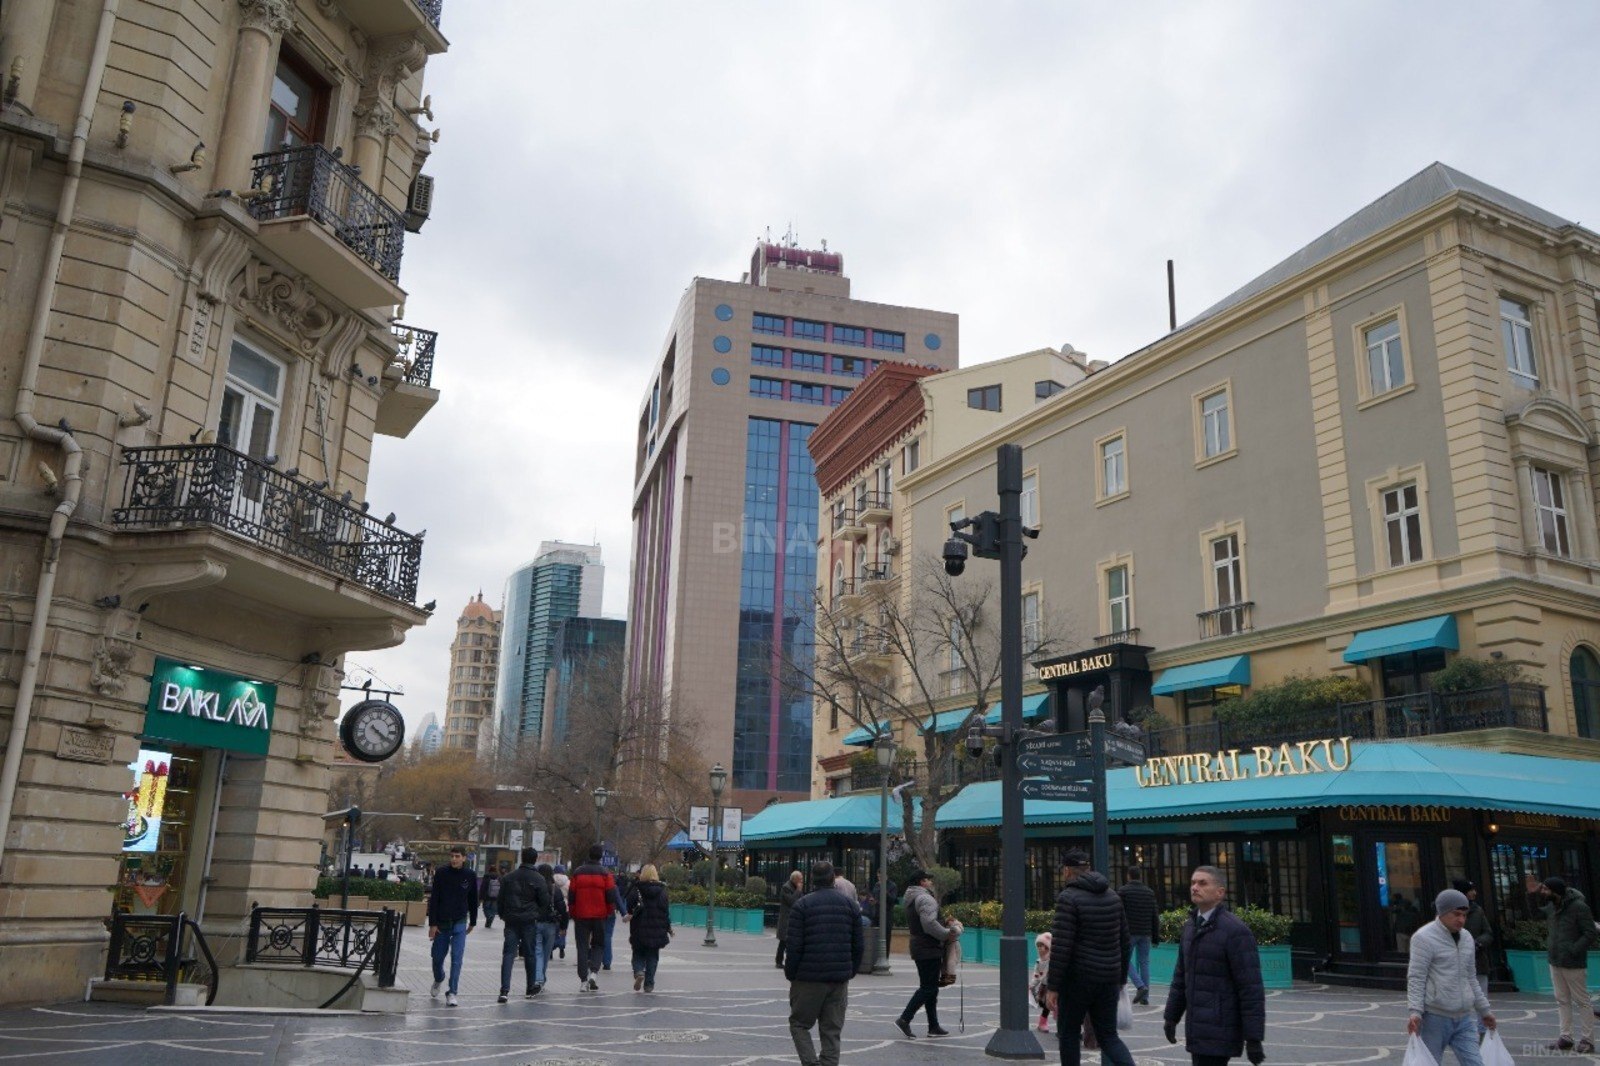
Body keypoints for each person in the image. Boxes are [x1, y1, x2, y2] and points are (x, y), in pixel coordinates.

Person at [1162, 865, 1266, 1066]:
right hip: (1197, 1027)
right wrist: (1171, 1017)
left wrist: (1254, 1038)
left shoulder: (1235, 931)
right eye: (1193, 882)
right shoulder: (1191, 926)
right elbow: (1181, 977)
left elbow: (1250, 987)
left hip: (1220, 1025)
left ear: (1220, 892)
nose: (1195, 887)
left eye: (1202, 883)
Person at [1045, 849, 1135, 1066]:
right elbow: (1125, 941)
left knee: (1068, 1034)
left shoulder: (1068, 898)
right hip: (1108, 978)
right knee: (1109, 1037)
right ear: (1088, 868)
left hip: (1078, 980)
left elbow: (1062, 946)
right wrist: (1121, 978)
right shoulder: (1112, 896)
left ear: (1067, 871)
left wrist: (1053, 986)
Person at [784, 861, 863, 1066]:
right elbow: (858, 945)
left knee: (799, 1024)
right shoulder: (850, 906)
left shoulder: (802, 905)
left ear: (813, 879)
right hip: (838, 978)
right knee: (832, 1031)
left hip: (808, 977)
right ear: (832, 878)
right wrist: (850, 970)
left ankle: (811, 1063)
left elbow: (794, 946)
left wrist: (791, 974)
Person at [1406, 888, 1496, 1066]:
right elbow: (1416, 977)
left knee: (1475, 1063)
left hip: (1464, 1017)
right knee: (1429, 1063)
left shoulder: (1467, 938)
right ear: (1442, 912)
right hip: (1435, 1017)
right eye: (1456, 914)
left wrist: (1484, 1011)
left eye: (1464, 915)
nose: (1461, 920)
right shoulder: (1423, 938)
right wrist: (1415, 1012)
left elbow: (1471, 978)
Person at [1529, 875, 1598, 1053]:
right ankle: (1566, 1037)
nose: (1544, 892)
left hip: (1573, 962)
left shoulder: (1579, 907)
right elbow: (1536, 914)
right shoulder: (1553, 907)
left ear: (1556, 891)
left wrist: (1573, 949)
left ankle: (1588, 1040)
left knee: (1582, 1001)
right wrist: (1532, 895)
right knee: (1562, 1000)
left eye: (1546, 889)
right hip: (1555, 960)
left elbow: (1590, 932)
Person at [895, 868, 961, 1039]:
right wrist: (947, 933)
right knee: (928, 988)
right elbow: (929, 923)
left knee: (931, 987)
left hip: (920, 946)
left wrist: (943, 923)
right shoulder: (925, 898)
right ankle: (904, 1019)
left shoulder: (911, 897)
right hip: (928, 947)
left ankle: (933, 1026)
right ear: (922, 882)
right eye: (928, 879)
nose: (931, 882)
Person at [495, 847, 551, 1002]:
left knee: (508, 954)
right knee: (530, 954)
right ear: (535, 859)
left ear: (522, 858)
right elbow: (545, 902)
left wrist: (503, 915)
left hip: (511, 919)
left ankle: (504, 990)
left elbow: (500, 900)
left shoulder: (509, 877)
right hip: (529, 920)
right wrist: (536, 914)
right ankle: (530, 988)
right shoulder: (539, 879)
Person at [427, 846, 478, 1007]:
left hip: (459, 922)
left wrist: (473, 921)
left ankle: (452, 992)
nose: (454, 859)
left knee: (457, 959)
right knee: (437, 958)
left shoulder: (469, 875)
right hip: (442, 923)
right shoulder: (442, 873)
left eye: (457, 856)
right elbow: (434, 899)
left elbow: (473, 899)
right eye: (452, 856)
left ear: (464, 858)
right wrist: (432, 924)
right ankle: (439, 978)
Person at [568, 844, 617, 991]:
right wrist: (609, 911)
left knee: (582, 946)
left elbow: (571, 896)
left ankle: (583, 980)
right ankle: (594, 973)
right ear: (601, 856)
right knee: (598, 945)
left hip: (581, 915)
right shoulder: (606, 874)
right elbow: (610, 896)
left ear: (589, 855)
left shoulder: (577, 873)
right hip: (599, 915)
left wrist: (573, 912)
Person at [624, 864, 672, 991]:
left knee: (638, 953)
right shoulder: (662, 892)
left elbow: (629, 907)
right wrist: (668, 928)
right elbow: (666, 912)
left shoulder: (637, 889)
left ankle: (639, 971)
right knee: (653, 956)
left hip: (639, 928)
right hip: (657, 929)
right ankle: (649, 984)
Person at [1118, 866, 1160, 1005]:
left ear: (1128, 876)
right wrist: (1155, 936)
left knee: (1123, 959)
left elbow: (1119, 913)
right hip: (1145, 932)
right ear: (1140, 876)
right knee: (1144, 962)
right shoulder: (1149, 892)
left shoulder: (1123, 891)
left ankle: (1140, 986)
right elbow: (1154, 915)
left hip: (1129, 932)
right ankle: (1145, 997)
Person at [1452, 879, 1493, 980]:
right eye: (1471, 890)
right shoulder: (1448, 912)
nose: (1474, 893)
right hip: (1455, 964)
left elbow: (1488, 933)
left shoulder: (1478, 910)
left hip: (1478, 962)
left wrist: (1478, 943)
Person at [536, 862, 567, 981]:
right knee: (545, 954)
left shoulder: (535, 887)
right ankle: (541, 978)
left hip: (536, 923)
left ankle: (538, 979)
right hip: (551, 924)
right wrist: (563, 927)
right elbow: (562, 909)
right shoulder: (555, 889)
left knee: (537, 952)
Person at [777, 870, 803, 968]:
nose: (801, 881)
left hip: (795, 917)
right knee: (783, 941)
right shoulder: (786, 887)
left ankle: (790, 961)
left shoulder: (796, 887)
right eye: (800, 879)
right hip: (786, 918)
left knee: (791, 941)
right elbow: (792, 901)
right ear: (795, 879)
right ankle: (779, 961)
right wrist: (798, 890)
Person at [1031, 931, 1054, 1032]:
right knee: (1043, 1004)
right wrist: (1032, 985)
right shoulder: (1039, 961)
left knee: (1049, 1006)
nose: (1040, 948)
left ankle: (1043, 1023)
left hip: (1054, 986)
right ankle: (1042, 1023)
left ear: (1048, 947)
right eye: (1038, 946)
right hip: (1044, 986)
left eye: (1042, 946)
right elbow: (1036, 975)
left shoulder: (1052, 959)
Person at [551, 864, 570, 958]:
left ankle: (551, 949)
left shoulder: (551, 880)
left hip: (553, 906)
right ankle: (562, 946)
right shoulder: (568, 882)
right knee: (563, 928)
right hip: (565, 907)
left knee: (553, 929)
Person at [480, 865, 502, 930]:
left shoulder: (486, 876)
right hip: (496, 897)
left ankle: (489, 916)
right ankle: (488, 924)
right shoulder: (499, 877)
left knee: (486, 908)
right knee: (493, 910)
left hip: (487, 896)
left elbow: (483, 887)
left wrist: (481, 897)